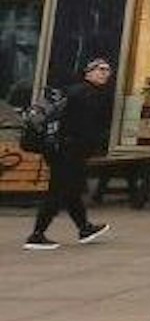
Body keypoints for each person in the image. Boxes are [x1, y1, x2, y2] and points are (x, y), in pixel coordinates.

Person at [23, 57, 114, 250]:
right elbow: (84, 126)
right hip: (68, 150)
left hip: (61, 149)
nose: (105, 73)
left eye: (107, 70)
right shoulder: (86, 94)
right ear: (88, 73)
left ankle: (84, 228)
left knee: (71, 190)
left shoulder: (77, 91)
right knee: (58, 191)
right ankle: (37, 234)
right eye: (100, 69)